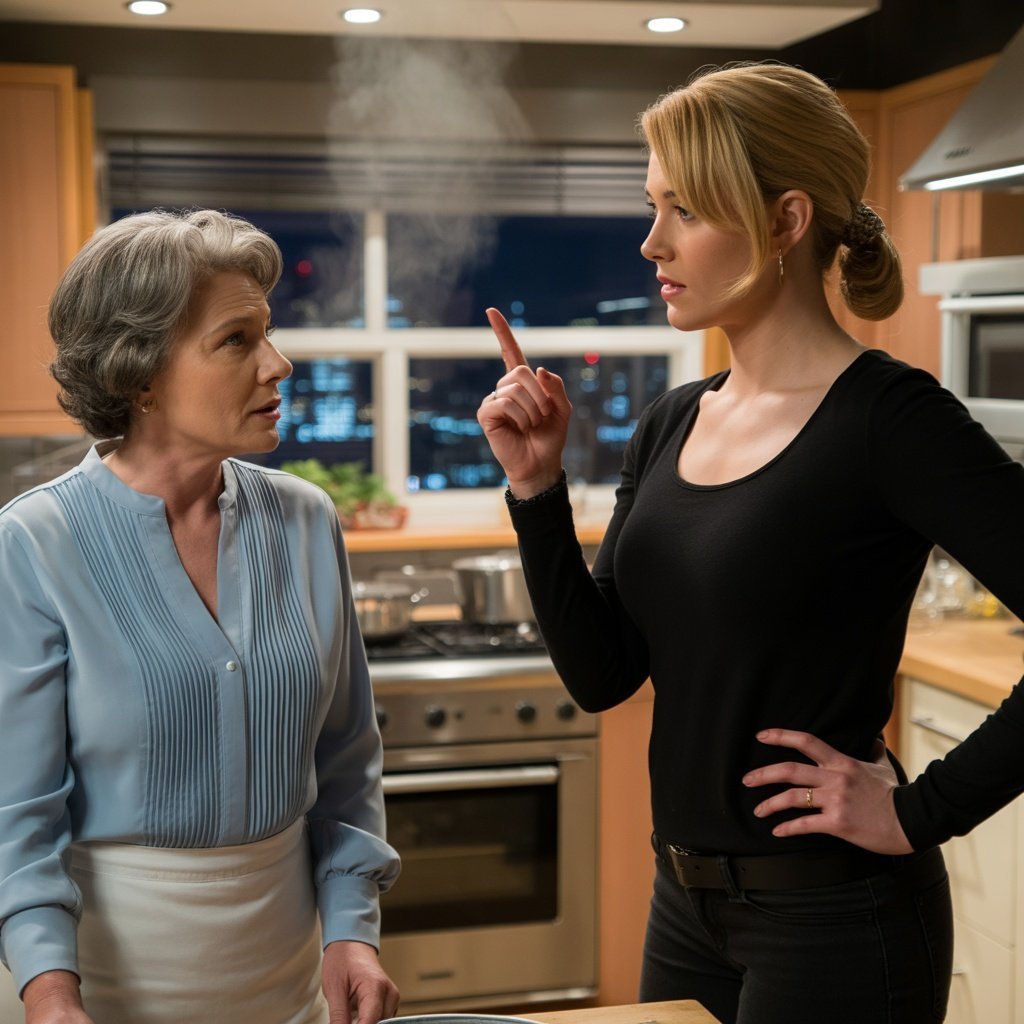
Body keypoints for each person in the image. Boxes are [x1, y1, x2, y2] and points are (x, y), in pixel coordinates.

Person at [477, 62, 1024, 1024]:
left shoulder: (890, 419)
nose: (652, 241)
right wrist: (536, 488)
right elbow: (603, 674)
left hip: (837, 920)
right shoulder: (673, 419)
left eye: (684, 210)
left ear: (785, 221)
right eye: (655, 207)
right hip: (683, 908)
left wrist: (918, 810)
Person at [0, 209, 401, 1024]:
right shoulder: (34, 542)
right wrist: (49, 991)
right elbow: (18, 816)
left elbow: (347, 761)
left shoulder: (306, 519)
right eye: (237, 340)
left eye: (268, 333)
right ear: (139, 373)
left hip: (289, 982)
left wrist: (351, 934)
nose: (278, 363)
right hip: (98, 992)